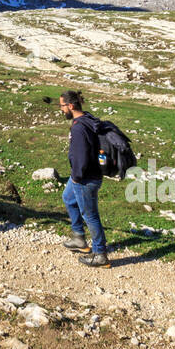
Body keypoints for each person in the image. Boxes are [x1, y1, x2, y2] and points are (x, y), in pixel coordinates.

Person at [58, 90, 111, 267]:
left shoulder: (79, 128)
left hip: (85, 178)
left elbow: (81, 157)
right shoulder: (87, 118)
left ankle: (100, 254)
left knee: (90, 215)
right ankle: (79, 238)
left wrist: (76, 178)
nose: (61, 110)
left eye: (62, 106)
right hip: (86, 175)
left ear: (70, 106)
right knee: (68, 198)